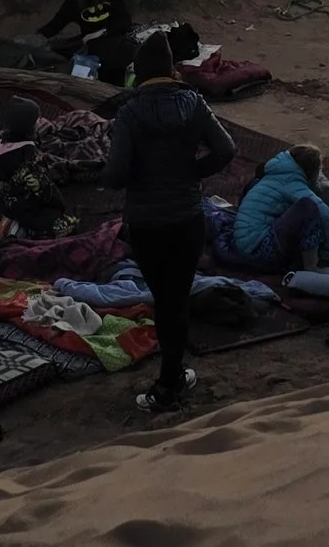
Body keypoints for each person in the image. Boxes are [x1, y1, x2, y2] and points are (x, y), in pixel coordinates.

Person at [101, 28, 239, 416]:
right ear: (171, 69)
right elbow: (226, 148)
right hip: (187, 217)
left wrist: (131, 178)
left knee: (165, 300)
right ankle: (174, 374)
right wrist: (194, 172)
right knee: (176, 297)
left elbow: (114, 174)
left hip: (147, 223)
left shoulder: (130, 112)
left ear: (141, 73)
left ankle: (168, 384)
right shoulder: (193, 104)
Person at [231, 141, 329, 273]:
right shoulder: (291, 182)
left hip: (243, 244)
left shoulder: (273, 174)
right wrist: (328, 255)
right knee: (308, 208)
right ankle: (312, 268)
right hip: (257, 248)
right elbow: (325, 213)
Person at [41, 0, 135, 78]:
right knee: (58, 50)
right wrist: (39, 36)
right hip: (89, 44)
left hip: (112, 39)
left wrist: (101, 32)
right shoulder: (74, 0)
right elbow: (57, 23)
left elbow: (124, 21)